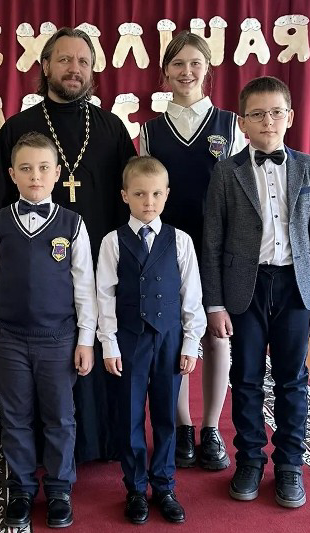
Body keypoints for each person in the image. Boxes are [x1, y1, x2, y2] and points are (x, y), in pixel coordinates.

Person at [0, 26, 137, 463]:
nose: (74, 68)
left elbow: (133, 201)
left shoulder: (111, 128)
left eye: (83, 61)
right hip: (33, 284)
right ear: (45, 66)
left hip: (99, 268)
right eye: (64, 59)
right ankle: (36, 449)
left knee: (94, 351)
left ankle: (98, 442)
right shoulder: (18, 129)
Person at [201, 76, 310, 508]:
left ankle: (290, 465)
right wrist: (215, 303)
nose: (268, 121)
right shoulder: (227, 172)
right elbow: (212, 241)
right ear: (242, 123)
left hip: (295, 287)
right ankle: (250, 460)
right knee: (245, 378)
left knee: (292, 379)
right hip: (245, 288)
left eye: (276, 112)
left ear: (290, 117)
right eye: (257, 114)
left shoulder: (308, 167)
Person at [0, 132, 97, 528]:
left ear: (58, 173)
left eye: (44, 168)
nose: (35, 176)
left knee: (60, 416)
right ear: (12, 174)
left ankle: (59, 488)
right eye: (26, 169)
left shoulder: (73, 224)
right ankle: (22, 486)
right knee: (15, 415)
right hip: (8, 338)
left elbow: (85, 287)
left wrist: (86, 339)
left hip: (58, 338)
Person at [140, 30, 247, 471]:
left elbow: (242, 193)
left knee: (215, 335)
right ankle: (182, 425)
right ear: (165, 72)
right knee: (174, 337)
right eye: (178, 64)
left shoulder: (231, 125)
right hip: (168, 249)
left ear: (207, 69)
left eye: (195, 63)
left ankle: (211, 427)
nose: (187, 71)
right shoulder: (150, 131)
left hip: (217, 250)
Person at [97, 156, 206, 525]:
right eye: (140, 194)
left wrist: (190, 343)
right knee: (129, 416)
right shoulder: (112, 242)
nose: (149, 201)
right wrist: (109, 344)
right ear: (125, 195)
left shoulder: (181, 241)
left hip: (169, 340)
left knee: (165, 415)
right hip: (129, 341)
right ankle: (135, 488)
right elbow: (103, 296)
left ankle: (164, 486)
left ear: (167, 194)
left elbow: (192, 297)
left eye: (156, 194)